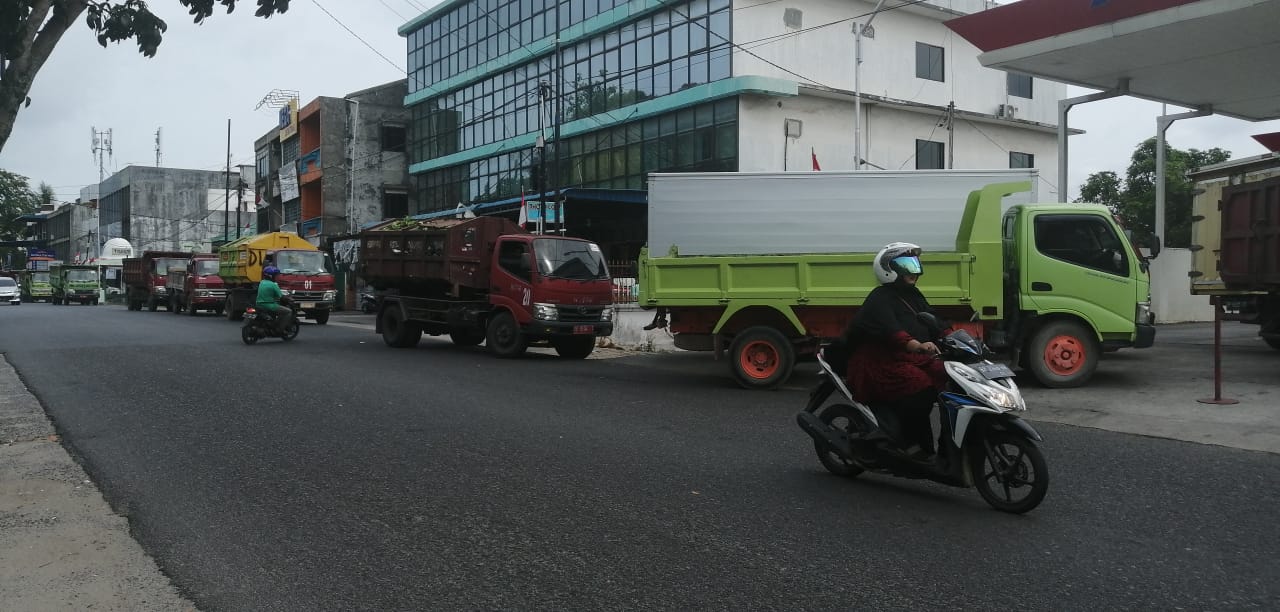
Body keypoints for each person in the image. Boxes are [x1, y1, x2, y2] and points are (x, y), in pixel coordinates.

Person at [841, 242, 948, 461]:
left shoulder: (914, 295)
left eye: (915, 263)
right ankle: (908, 441)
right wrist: (918, 345)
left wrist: (955, 338)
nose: (913, 270)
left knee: (948, 377)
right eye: (906, 265)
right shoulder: (879, 298)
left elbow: (935, 321)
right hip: (879, 362)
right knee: (920, 386)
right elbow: (892, 331)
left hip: (911, 357)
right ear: (889, 269)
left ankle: (946, 447)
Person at [256, 265, 294, 333]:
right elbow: (281, 297)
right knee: (288, 312)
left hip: (258, 304)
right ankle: (279, 329)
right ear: (271, 276)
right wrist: (288, 299)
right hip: (269, 306)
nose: (277, 277)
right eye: (275, 275)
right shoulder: (274, 285)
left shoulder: (261, 282)